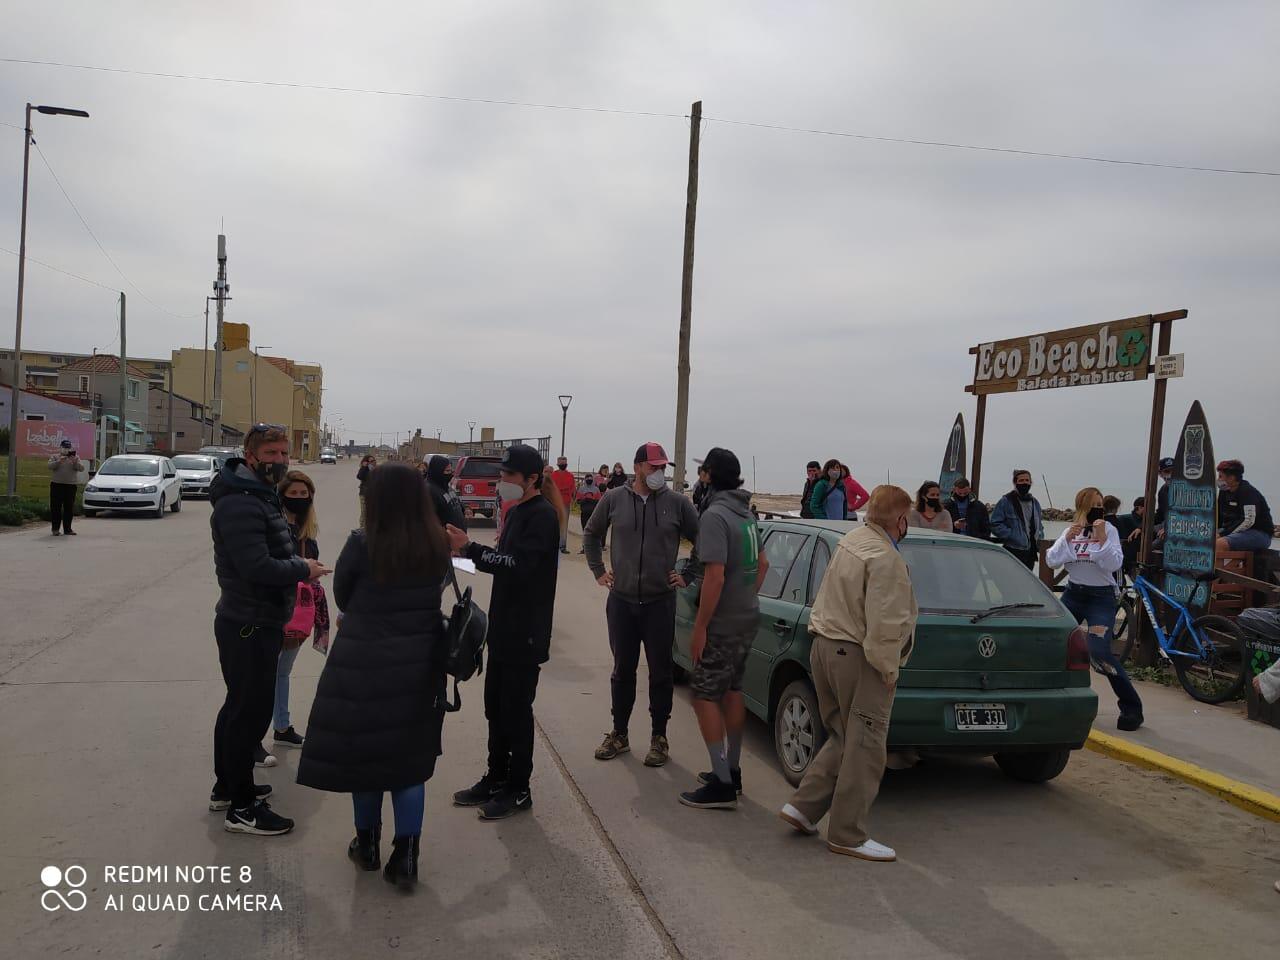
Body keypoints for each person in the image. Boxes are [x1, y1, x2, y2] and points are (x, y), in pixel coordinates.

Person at [297, 463, 451, 890]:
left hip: (362, 662)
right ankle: (407, 857)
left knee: (363, 757)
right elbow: (437, 589)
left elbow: (344, 595)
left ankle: (366, 845)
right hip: (419, 661)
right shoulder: (437, 543)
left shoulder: (362, 543)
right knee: (409, 763)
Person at [779, 485, 917, 861]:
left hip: (825, 646)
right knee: (867, 745)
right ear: (900, 519)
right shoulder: (886, 558)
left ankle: (803, 807)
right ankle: (847, 834)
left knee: (844, 734)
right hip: (857, 655)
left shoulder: (853, 540)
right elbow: (886, 623)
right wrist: (888, 669)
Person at [209, 424, 330, 836]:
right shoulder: (241, 504)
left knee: (239, 708)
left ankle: (228, 787)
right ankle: (242, 808)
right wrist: (303, 568)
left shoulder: (257, 495)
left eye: (283, 453)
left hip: (255, 618)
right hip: (249, 622)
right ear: (250, 455)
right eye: (271, 453)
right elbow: (256, 566)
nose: (279, 460)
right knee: (247, 713)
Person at [448, 445, 561, 820]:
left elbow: (518, 565)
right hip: (503, 629)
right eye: (502, 474)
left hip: (526, 633)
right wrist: (458, 556)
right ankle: (495, 777)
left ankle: (518, 788)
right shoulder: (514, 513)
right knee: (495, 708)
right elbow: (498, 563)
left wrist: (471, 548)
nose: (502, 481)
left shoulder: (542, 516)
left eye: (509, 475)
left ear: (532, 479)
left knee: (516, 712)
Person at [584, 442, 700, 768]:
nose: (659, 472)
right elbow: (591, 534)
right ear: (637, 467)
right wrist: (598, 570)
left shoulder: (677, 504)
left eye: (663, 468)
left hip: (659, 603)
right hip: (621, 602)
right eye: (654, 467)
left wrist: (687, 574)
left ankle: (659, 737)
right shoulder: (613, 499)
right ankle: (619, 734)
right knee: (623, 670)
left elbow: (702, 539)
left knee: (661, 673)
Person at [678, 447, 768, 810]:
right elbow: (762, 565)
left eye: (702, 472)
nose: (699, 478)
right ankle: (732, 770)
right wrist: (744, 599)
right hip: (747, 617)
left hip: (723, 623)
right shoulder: (746, 513)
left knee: (703, 694)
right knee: (732, 690)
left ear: (709, 476)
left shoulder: (715, 515)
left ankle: (722, 783)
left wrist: (701, 626)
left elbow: (714, 576)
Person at [1046, 487, 1143, 731]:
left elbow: (1113, 563)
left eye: (1100, 505)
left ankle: (1131, 707)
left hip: (1101, 598)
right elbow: (1051, 560)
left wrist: (1101, 538)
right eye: (1093, 505)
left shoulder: (1109, 530)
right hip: (1073, 594)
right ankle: (1053, 700)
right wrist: (1067, 539)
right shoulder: (1071, 531)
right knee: (1052, 643)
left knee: (1099, 652)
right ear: (1082, 507)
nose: (1098, 509)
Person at [268, 469, 322, 751]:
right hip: (271, 611)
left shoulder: (306, 533)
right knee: (265, 674)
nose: (299, 498)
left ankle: (282, 726)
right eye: (293, 493)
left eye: (304, 494)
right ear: (282, 496)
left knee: (282, 672)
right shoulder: (273, 528)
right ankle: (253, 734)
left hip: (297, 613)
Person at [1215, 460, 1275, 554]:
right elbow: (1219, 516)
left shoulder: (1247, 492)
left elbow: (1248, 520)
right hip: (1235, 531)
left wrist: (1222, 534)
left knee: (1219, 544)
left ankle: (1217, 564)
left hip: (1259, 533)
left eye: (1220, 476)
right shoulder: (1224, 492)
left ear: (1231, 478)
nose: (1218, 479)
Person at [990, 469, 1044, 570]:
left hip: (1031, 552)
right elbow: (994, 524)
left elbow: (1039, 525)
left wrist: (1040, 538)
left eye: (1027, 480)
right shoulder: (1006, 501)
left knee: (1027, 579)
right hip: (1013, 550)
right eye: (1021, 480)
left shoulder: (1035, 502)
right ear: (1015, 483)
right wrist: (1012, 535)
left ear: (1031, 482)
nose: (1024, 483)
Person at [47, 439, 82, 536]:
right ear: (60, 447)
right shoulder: (55, 457)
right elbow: (49, 466)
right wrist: (59, 461)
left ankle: (67, 529)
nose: (66, 450)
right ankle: (55, 529)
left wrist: (75, 462)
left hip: (70, 486)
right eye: (64, 447)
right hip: (56, 485)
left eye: (68, 448)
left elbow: (81, 468)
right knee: (55, 508)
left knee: (69, 508)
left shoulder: (75, 457)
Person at [424, 455, 466, 531]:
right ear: (437, 471)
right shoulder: (428, 490)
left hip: (457, 536)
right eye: (447, 471)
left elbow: (456, 502)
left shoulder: (447, 487)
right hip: (443, 536)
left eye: (451, 471)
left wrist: (465, 509)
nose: (450, 474)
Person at [1114, 497, 1146, 576]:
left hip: (1132, 555)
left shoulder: (1124, 518)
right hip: (1130, 555)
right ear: (1140, 507)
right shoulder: (1127, 519)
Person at [552, 456, 577, 554]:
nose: (563, 465)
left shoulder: (570, 475)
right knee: (554, 524)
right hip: (555, 503)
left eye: (564, 463)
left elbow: (573, 488)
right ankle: (554, 544)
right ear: (558, 464)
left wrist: (573, 499)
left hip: (566, 503)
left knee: (564, 525)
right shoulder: (553, 475)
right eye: (561, 463)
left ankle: (562, 546)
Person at [575, 472, 602, 554]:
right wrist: (584, 500)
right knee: (585, 530)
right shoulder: (581, 489)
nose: (589, 479)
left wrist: (591, 500)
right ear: (585, 479)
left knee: (593, 531)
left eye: (590, 478)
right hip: (584, 513)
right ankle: (585, 547)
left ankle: (593, 547)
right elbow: (578, 501)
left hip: (593, 513)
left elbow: (599, 501)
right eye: (587, 478)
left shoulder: (596, 489)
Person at [1153, 456, 1174, 530]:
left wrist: (1169, 528)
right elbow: (1160, 514)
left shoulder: (1187, 489)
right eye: (1167, 471)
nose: (1171, 474)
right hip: (1166, 525)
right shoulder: (1162, 491)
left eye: (1174, 471)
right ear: (1160, 474)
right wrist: (1141, 528)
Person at [356, 454, 376, 526]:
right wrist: (364, 467)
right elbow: (359, 476)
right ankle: (362, 527)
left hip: (374, 494)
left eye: (374, 460)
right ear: (366, 462)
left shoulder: (377, 470)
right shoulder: (365, 470)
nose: (373, 462)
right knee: (364, 512)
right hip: (364, 494)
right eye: (371, 461)